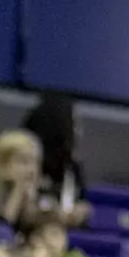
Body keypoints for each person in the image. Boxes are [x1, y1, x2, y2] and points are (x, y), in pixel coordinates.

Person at [20, 96, 88, 228]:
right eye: (74, 123)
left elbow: (79, 205)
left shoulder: (72, 170)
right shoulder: (24, 160)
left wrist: (79, 213)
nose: (78, 132)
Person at [0, 131, 44, 237]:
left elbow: (29, 227)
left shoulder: (26, 186)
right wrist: (18, 192)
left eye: (35, 162)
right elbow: (2, 226)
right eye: (23, 162)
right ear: (2, 162)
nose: (32, 169)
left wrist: (28, 199)